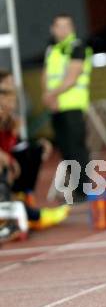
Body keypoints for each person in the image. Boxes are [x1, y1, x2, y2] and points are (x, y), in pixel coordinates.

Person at [0, 69, 70, 232]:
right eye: (8, 94)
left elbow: (13, 146)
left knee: (34, 151)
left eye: (14, 96)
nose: (13, 101)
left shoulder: (11, 120)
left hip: (7, 166)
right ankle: (31, 215)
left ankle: (22, 200)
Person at [41, 14, 92, 202]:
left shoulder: (77, 47)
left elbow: (72, 77)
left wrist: (51, 95)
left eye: (66, 26)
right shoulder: (51, 49)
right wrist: (48, 95)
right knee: (64, 149)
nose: (63, 30)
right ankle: (77, 189)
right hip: (57, 106)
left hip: (73, 106)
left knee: (76, 148)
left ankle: (83, 190)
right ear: (52, 29)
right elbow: (46, 74)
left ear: (72, 28)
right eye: (59, 26)